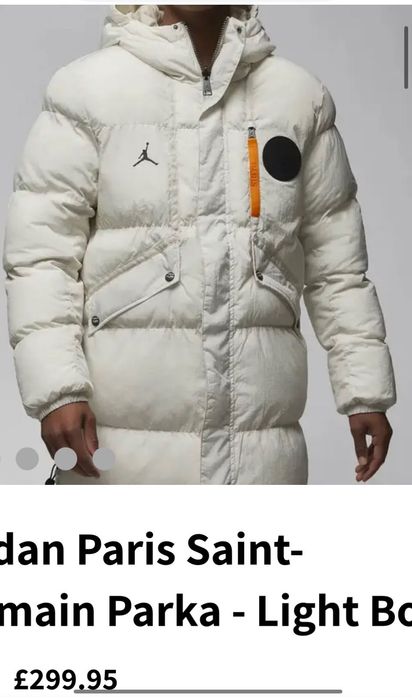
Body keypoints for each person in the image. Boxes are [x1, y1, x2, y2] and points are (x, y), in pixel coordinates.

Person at [3, 4, 396, 485]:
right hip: (121, 453)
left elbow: (338, 268)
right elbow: (42, 257)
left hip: (262, 456)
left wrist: (365, 389)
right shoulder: (86, 92)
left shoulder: (298, 99)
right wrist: (57, 390)